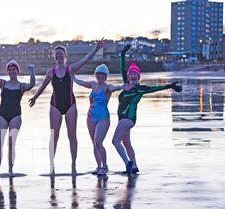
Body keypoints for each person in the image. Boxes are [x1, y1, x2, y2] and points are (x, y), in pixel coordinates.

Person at [29, 39, 108, 176]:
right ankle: (52, 165)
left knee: (72, 136)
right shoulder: (50, 72)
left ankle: (73, 165)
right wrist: (35, 97)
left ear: (65, 56)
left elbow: (85, 60)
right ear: (54, 57)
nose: (59, 56)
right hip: (55, 105)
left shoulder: (70, 69)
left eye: (61, 54)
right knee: (54, 136)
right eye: (57, 54)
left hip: (70, 105)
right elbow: (42, 87)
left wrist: (96, 49)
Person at [112, 44, 182, 175]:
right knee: (126, 143)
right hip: (122, 120)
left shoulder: (140, 89)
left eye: (135, 75)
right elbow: (122, 67)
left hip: (128, 119)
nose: (133, 76)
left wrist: (170, 86)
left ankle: (128, 163)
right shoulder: (126, 85)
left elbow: (155, 89)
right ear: (128, 76)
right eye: (131, 74)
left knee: (115, 141)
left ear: (138, 77)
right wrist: (122, 53)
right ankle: (134, 167)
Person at [0, 51, 35, 178]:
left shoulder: (21, 86)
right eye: (10, 69)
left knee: (11, 143)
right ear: (8, 71)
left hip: (16, 116)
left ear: (17, 71)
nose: (12, 71)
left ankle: (10, 169)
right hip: (2, 114)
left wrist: (32, 71)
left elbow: (32, 85)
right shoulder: (3, 83)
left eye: (14, 69)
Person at [73, 64, 129, 175]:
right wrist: (73, 78)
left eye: (103, 74)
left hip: (103, 118)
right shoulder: (93, 84)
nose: (100, 76)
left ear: (106, 76)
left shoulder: (107, 87)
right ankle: (99, 167)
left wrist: (122, 86)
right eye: (98, 74)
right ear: (96, 75)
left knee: (98, 142)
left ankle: (105, 166)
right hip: (90, 117)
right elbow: (83, 83)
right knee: (94, 143)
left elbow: (114, 87)